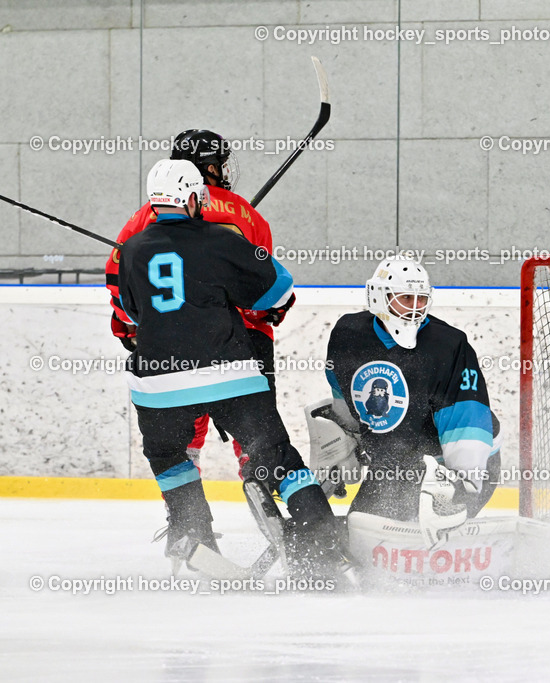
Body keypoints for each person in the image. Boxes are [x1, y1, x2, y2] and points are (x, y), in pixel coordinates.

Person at [118, 158, 338, 574]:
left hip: (159, 385)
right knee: (276, 457)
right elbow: (277, 290)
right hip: (228, 374)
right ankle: (320, 540)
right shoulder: (221, 236)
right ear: (189, 198)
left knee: (170, 458)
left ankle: (193, 533)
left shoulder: (130, 250)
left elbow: (131, 312)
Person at [105, 130, 291, 472]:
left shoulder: (146, 215)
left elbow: (118, 279)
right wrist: (270, 312)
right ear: (208, 168)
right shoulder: (246, 213)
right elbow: (267, 283)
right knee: (257, 429)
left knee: (181, 432)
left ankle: (188, 514)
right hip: (243, 342)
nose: (223, 172)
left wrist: (128, 324)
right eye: (219, 165)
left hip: (171, 340)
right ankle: (266, 486)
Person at [321, 258, 501, 523]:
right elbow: (343, 395)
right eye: (406, 298)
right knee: (362, 535)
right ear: (379, 297)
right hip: (396, 467)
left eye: (421, 299)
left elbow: (467, 420)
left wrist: (461, 482)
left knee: (422, 548)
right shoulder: (348, 334)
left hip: (457, 466)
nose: (416, 308)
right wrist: (345, 448)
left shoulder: (447, 345)